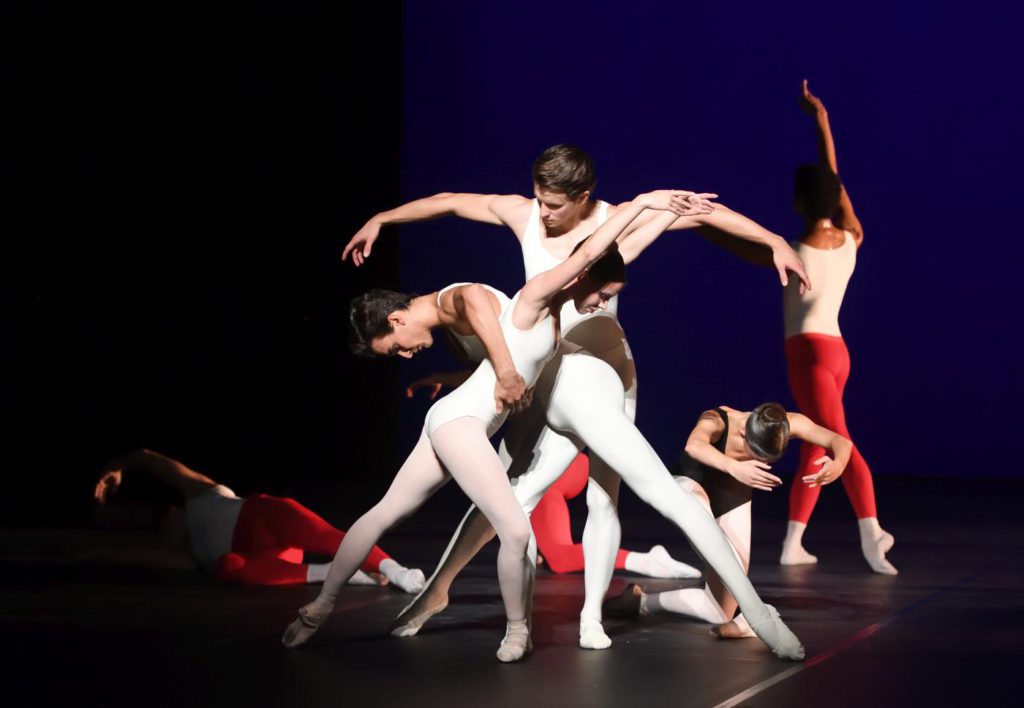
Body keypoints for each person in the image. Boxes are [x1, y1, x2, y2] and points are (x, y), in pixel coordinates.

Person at [343, 144, 811, 648]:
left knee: (604, 494)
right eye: (539, 199)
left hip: (606, 361)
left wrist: (775, 241)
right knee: (513, 493)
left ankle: (591, 618)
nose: (543, 212)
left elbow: (703, 212)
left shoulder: (613, 225)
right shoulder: (526, 218)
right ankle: (439, 589)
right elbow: (452, 200)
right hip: (554, 366)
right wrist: (381, 218)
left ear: (583, 197)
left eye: (554, 204)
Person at [282, 189, 700, 662]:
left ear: (396, 318)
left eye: (396, 346)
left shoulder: (465, 298)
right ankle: (516, 630)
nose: (405, 354)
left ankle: (327, 604)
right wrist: (497, 371)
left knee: (389, 512)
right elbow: (540, 290)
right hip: (467, 421)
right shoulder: (481, 312)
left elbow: (577, 259)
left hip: (462, 417)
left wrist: (652, 207)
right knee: (513, 530)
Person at [777, 81, 896, 575]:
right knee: (817, 439)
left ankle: (870, 532)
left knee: (836, 441)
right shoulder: (852, 237)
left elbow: (830, 185)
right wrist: (822, 121)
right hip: (839, 352)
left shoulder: (791, 249)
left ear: (801, 202)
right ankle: (793, 544)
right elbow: (836, 181)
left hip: (808, 354)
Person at [613, 403, 850, 638]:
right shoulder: (717, 419)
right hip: (693, 480)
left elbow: (841, 442)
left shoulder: (787, 423)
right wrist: (733, 466)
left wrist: (837, 464)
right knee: (717, 546)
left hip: (733, 489)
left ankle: (641, 601)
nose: (757, 459)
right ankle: (754, 614)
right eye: (755, 452)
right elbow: (694, 445)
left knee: (720, 611)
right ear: (744, 432)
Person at [93, 449, 425, 590]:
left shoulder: (199, 495)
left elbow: (152, 461)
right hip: (269, 560)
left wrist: (117, 466)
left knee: (327, 536)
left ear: (171, 514)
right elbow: (127, 557)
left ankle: (395, 571)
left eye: (165, 529)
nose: (168, 539)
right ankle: (341, 575)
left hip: (264, 518)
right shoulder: (188, 557)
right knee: (228, 567)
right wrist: (88, 555)